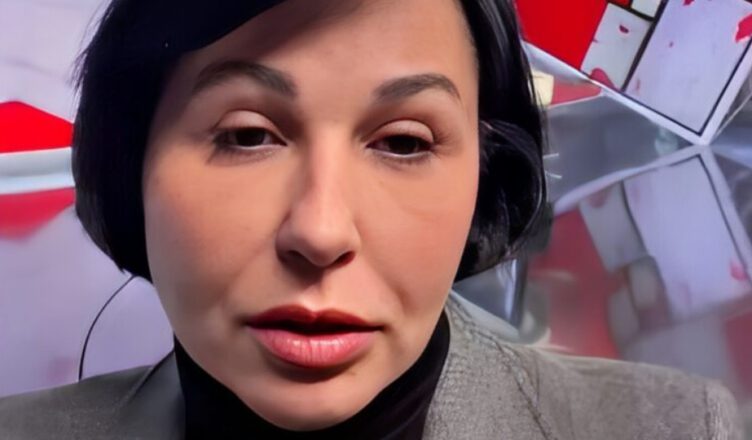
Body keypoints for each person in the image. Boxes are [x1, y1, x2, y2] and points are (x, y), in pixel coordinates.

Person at [0, 0, 742, 438]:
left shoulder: (672, 426)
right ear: (131, 164)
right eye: (248, 135)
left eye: (404, 143)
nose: (322, 233)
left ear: (485, 178)